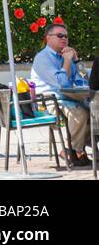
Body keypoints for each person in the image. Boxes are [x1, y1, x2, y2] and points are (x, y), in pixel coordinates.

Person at [30, 22, 91, 167]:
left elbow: (84, 79)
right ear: (48, 38)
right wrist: (67, 61)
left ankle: (78, 149)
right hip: (49, 101)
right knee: (80, 113)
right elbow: (62, 83)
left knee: (95, 112)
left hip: (70, 97)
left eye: (66, 36)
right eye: (59, 35)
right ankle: (74, 150)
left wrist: (76, 60)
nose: (64, 39)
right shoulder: (43, 58)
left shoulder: (66, 55)